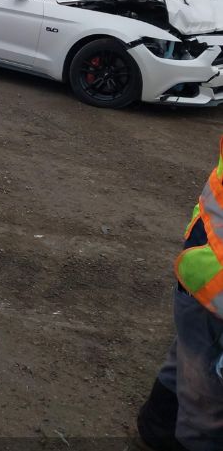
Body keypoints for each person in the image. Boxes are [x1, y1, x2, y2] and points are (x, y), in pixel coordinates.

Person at [137, 139, 223, 451]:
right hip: (214, 285)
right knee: (206, 401)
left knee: (190, 358)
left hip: (202, 269)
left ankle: (154, 428)